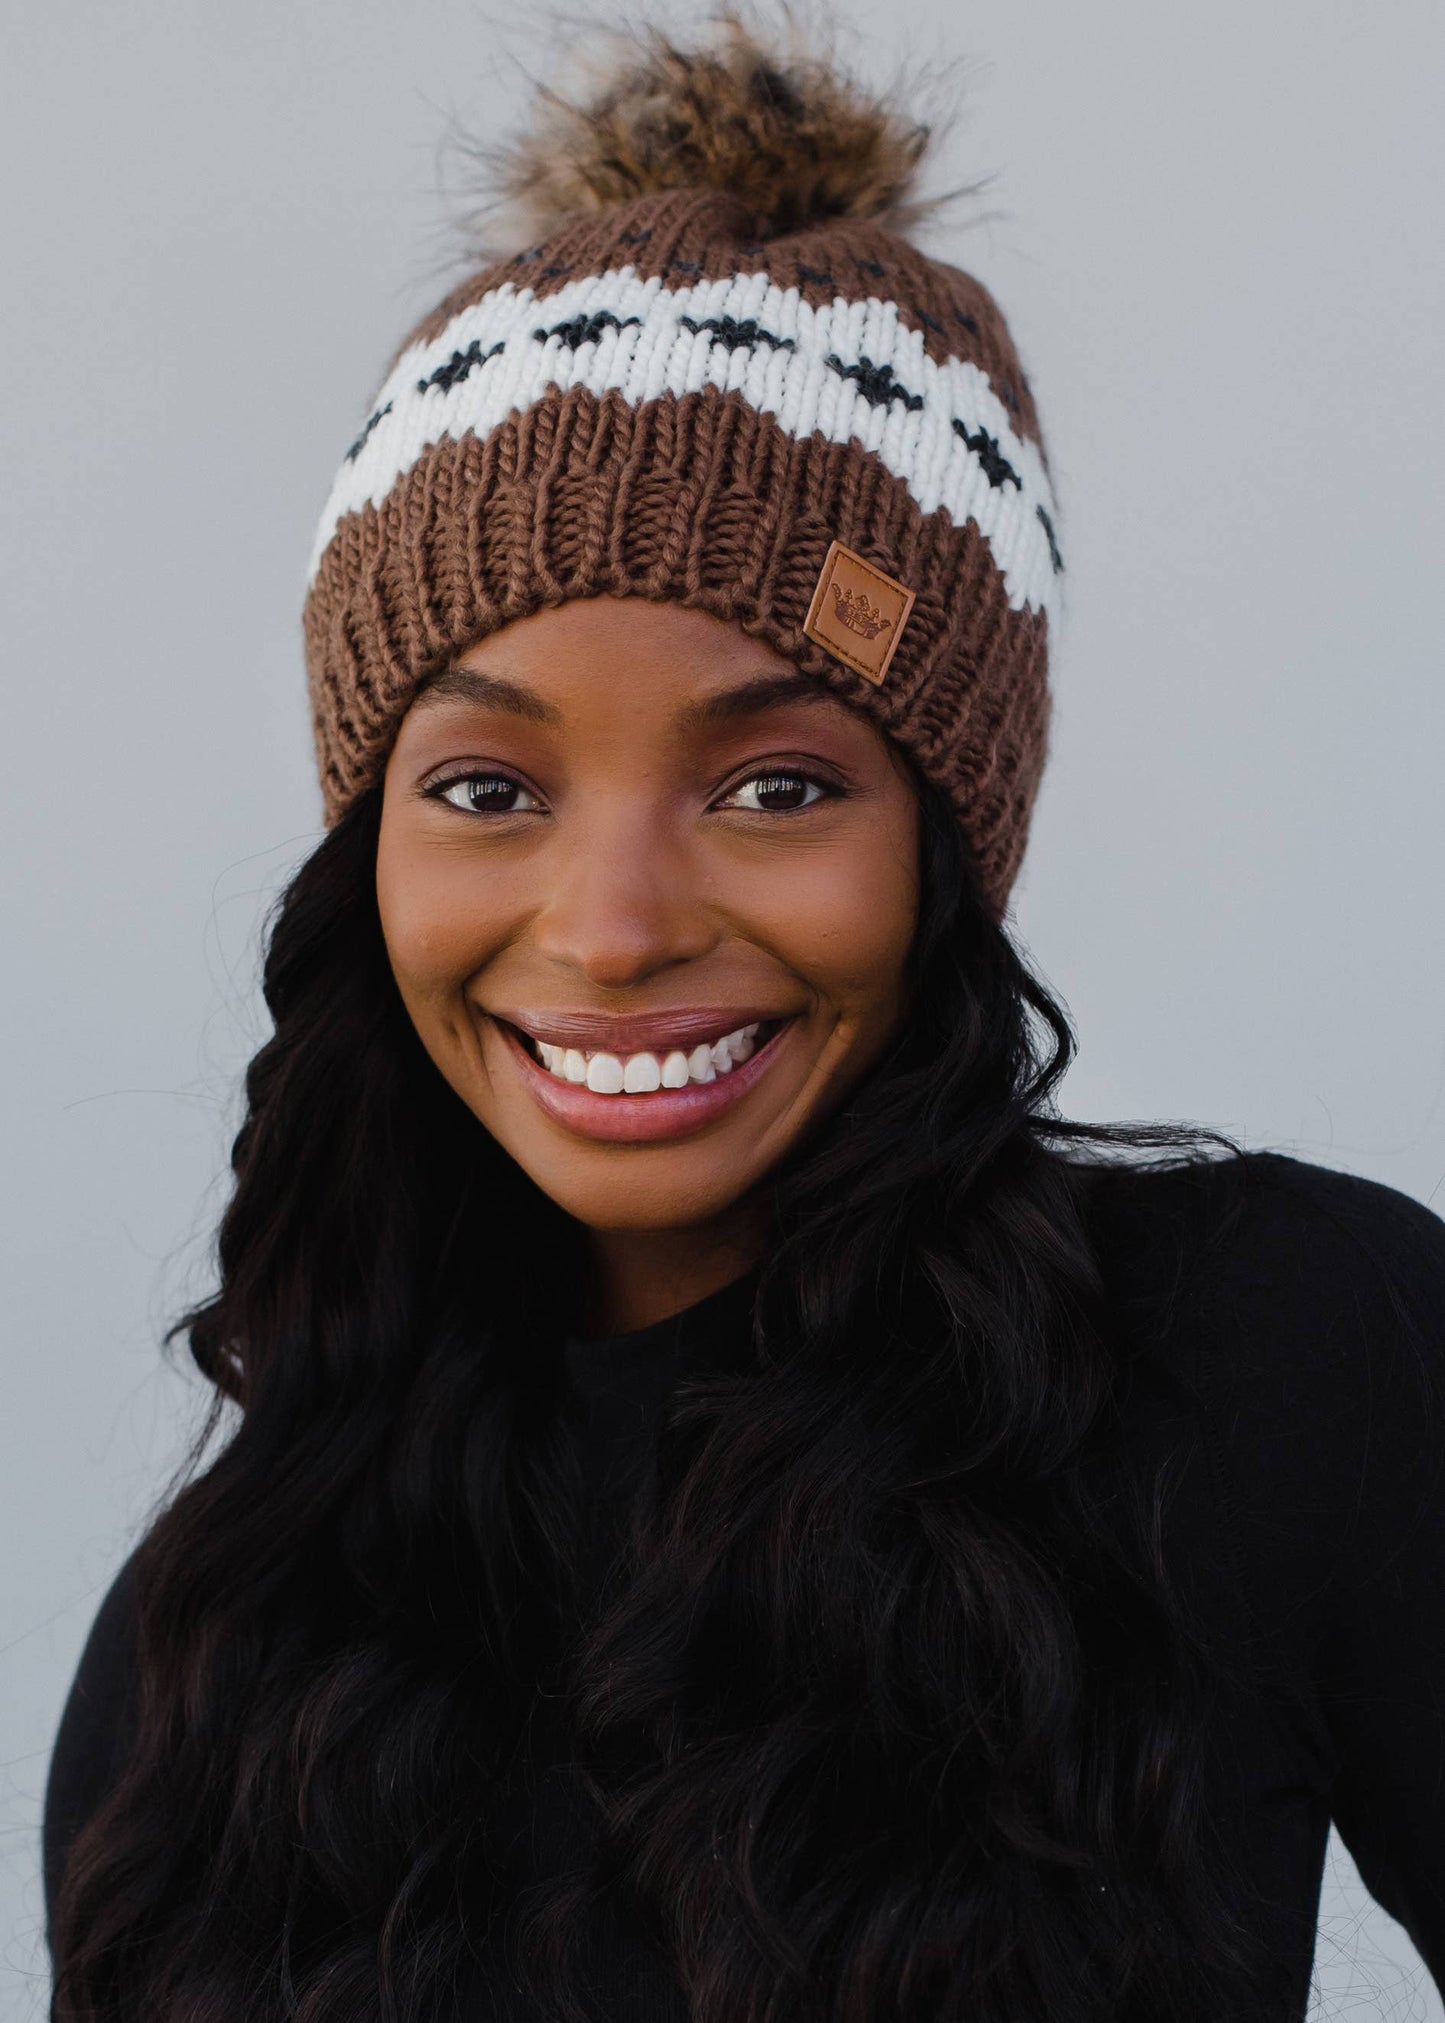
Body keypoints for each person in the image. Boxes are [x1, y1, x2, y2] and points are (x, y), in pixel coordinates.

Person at [41, 18, 1445, 2023]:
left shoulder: (1293, 1367)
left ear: (944, 848)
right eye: (488, 788)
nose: (610, 931)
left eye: (774, 785)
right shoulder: (227, 1639)